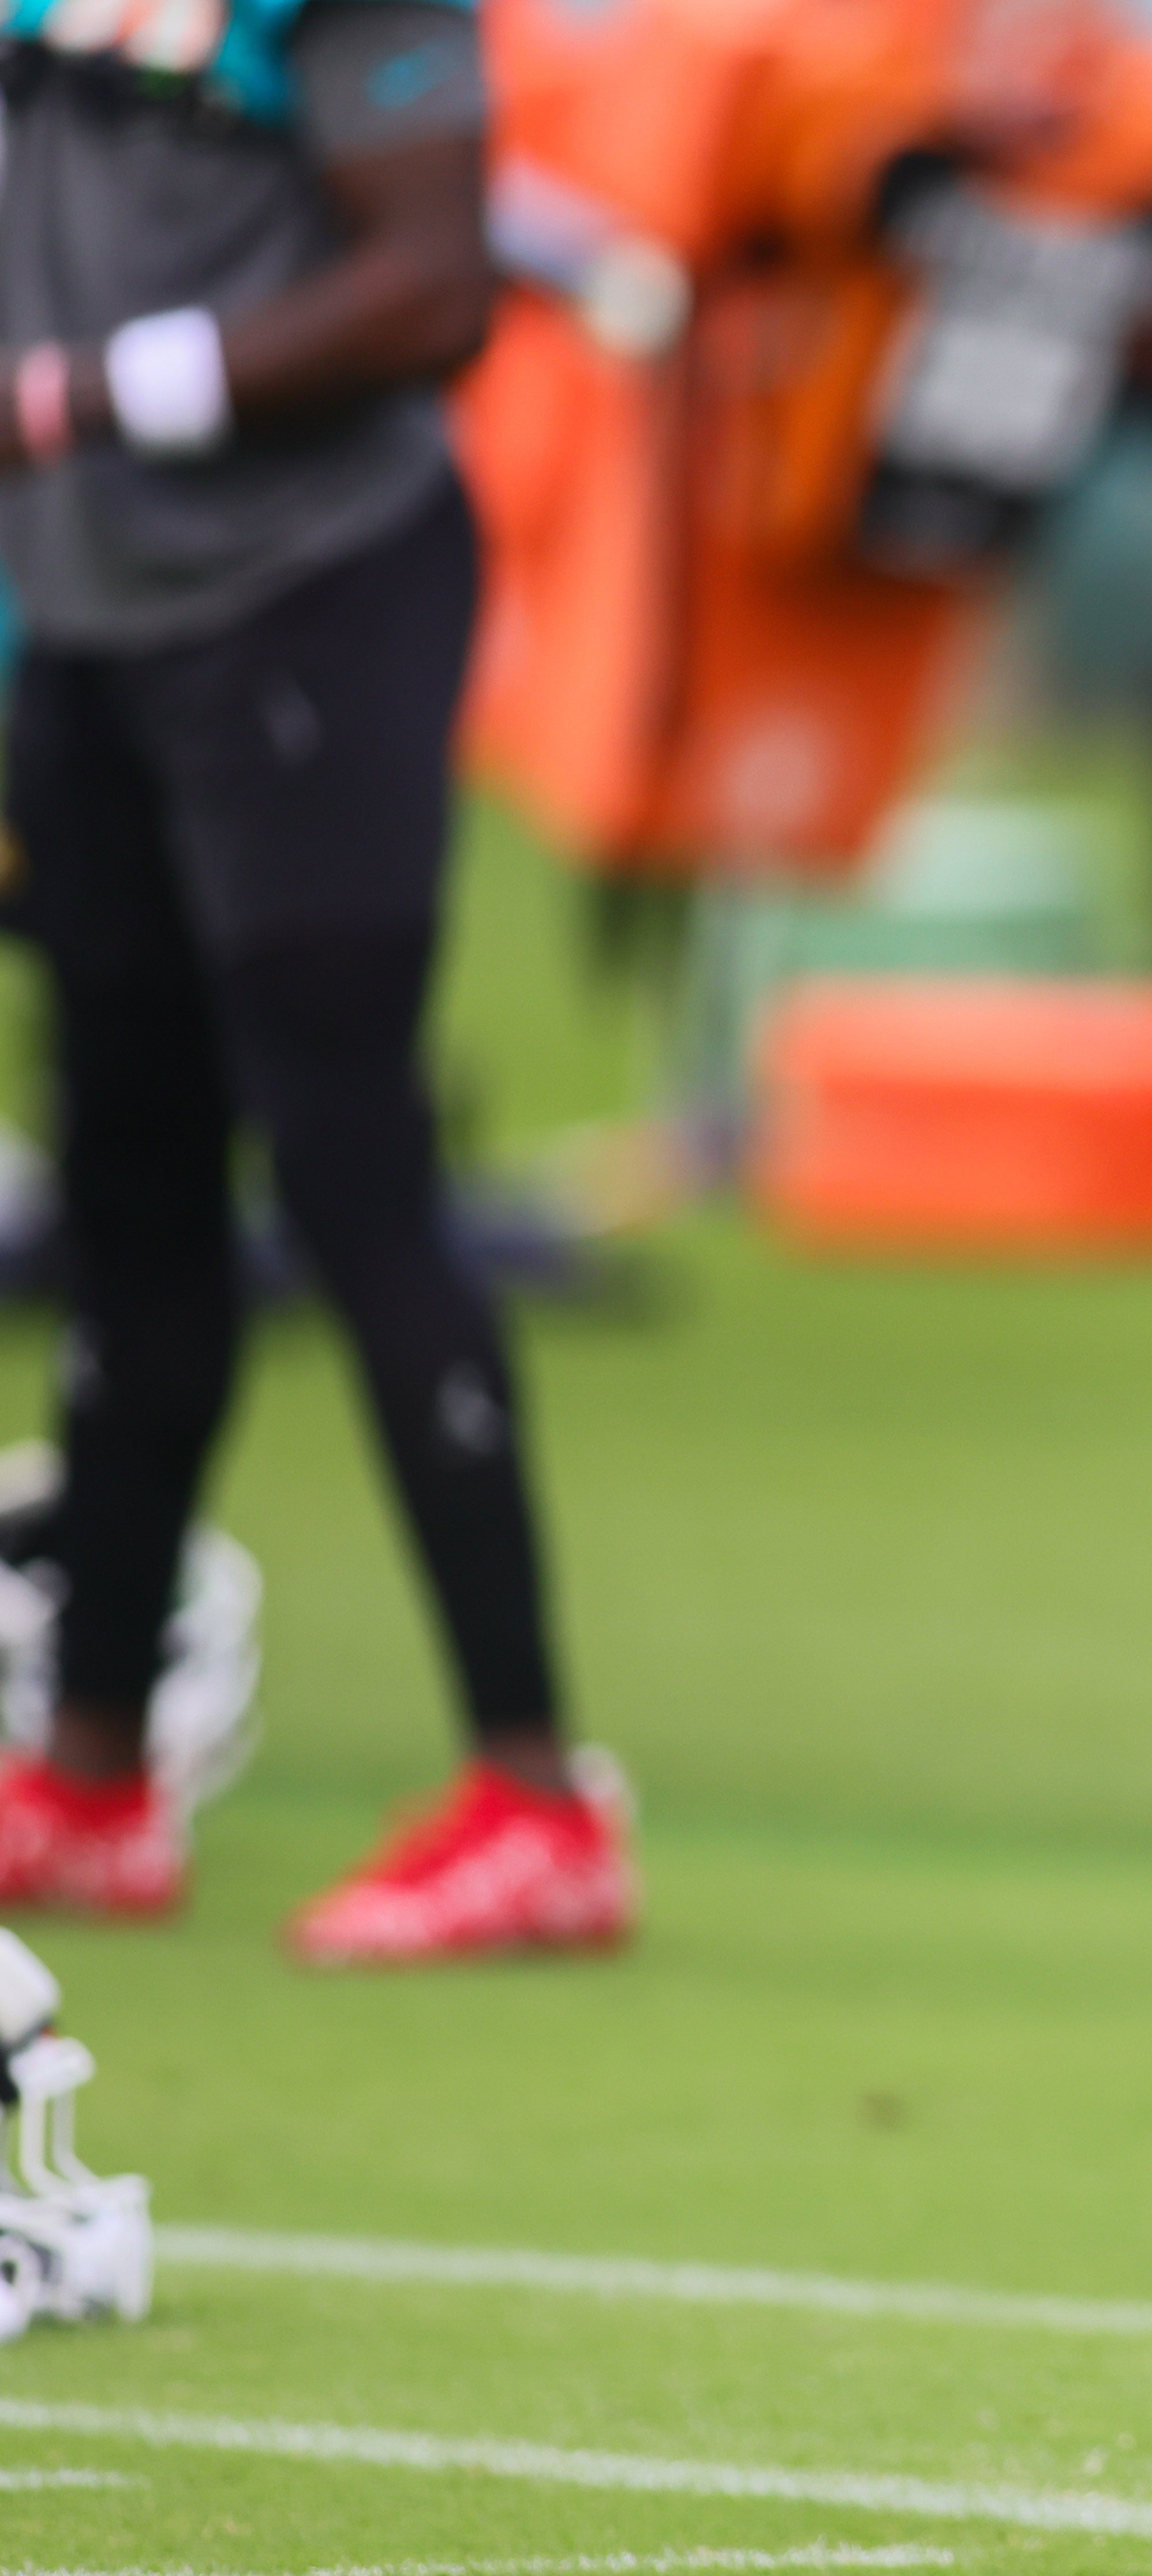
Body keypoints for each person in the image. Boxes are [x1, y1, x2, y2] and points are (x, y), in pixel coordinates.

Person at [0, 0, 634, 1962]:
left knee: (350, 1169)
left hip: (310, 595)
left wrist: (76, 399)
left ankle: (534, 1797)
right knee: (128, 1179)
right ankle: (93, 1771)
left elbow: (436, 293)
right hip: (94, 615)